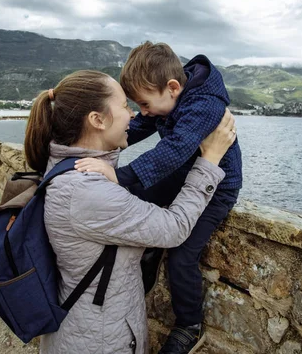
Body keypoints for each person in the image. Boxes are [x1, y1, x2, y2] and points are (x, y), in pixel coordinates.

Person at [23, 70, 236, 354]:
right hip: (101, 339)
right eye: (126, 105)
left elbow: (154, 142)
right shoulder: (87, 190)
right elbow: (172, 228)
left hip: (90, 325)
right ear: (97, 120)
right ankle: (190, 325)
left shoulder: (66, 163)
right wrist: (210, 159)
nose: (135, 114)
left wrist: (118, 172)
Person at [74, 42, 242, 354]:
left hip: (215, 186)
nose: (144, 111)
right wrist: (93, 145)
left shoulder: (203, 104)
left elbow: (176, 147)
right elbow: (138, 126)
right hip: (184, 175)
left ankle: (189, 325)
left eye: (145, 103)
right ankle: (148, 250)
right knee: (131, 197)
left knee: (182, 256)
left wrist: (119, 175)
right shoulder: (166, 94)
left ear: (173, 87)